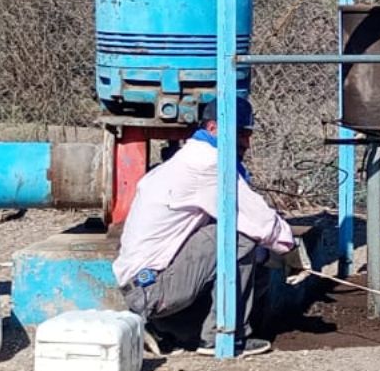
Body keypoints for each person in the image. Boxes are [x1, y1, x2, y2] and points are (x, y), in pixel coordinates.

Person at [113, 96, 295, 357]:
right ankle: (223, 337)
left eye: (248, 133)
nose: (246, 141)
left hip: (145, 287)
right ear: (213, 129)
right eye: (241, 133)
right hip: (152, 289)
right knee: (240, 237)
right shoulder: (208, 164)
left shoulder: (187, 159)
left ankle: (169, 329)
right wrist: (290, 249)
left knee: (254, 253)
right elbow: (261, 223)